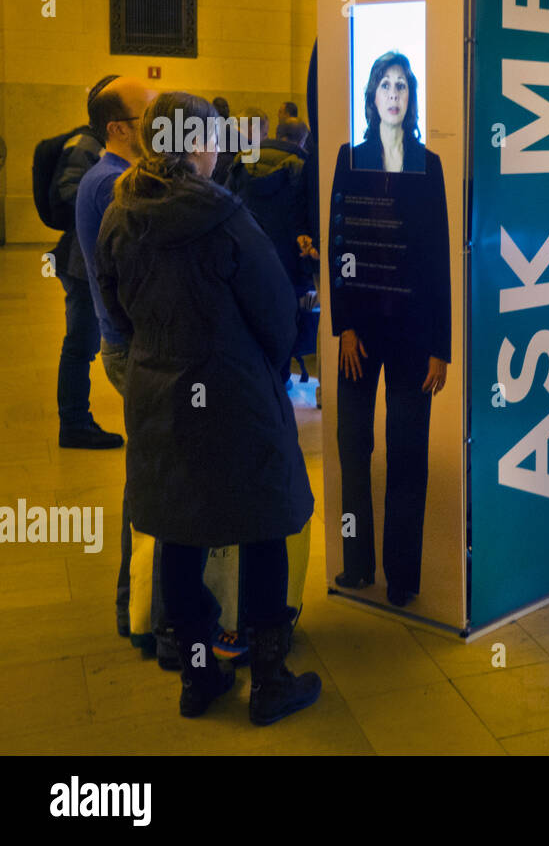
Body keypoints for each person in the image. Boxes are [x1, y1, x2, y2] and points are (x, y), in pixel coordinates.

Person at [96, 91, 320, 724]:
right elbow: (276, 311)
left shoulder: (122, 213)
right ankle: (269, 679)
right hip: (234, 394)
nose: (219, 148)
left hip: (159, 394)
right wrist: (262, 366)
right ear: (193, 143)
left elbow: (116, 310)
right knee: (264, 525)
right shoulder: (221, 216)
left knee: (178, 531)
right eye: (213, 137)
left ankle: (198, 676)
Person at [328, 51, 451, 608]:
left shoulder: (431, 165)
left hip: (412, 335)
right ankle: (356, 565)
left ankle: (402, 575)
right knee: (354, 449)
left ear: (411, 96)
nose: (394, 94)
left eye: (402, 85)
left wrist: (440, 347)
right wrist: (344, 326)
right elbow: (338, 246)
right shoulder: (350, 160)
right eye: (385, 85)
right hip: (361, 332)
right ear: (372, 96)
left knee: (408, 456)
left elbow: (439, 260)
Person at [75, 76, 156, 638]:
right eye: (149, 111)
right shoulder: (115, 185)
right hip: (134, 349)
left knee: (148, 470)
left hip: (127, 344)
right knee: (150, 474)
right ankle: (138, 605)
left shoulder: (107, 179)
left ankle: (141, 604)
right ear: (119, 128)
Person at [49, 75, 124, 449]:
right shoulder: (88, 146)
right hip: (81, 262)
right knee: (80, 345)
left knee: (82, 344)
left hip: (83, 258)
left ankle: (75, 420)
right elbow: (69, 192)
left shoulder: (94, 144)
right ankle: (74, 422)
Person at [225, 115, 313, 382]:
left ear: (276, 132)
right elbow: (305, 219)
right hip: (287, 264)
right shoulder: (303, 167)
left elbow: (226, 204)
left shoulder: (243, 159)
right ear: (303, 139)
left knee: (249, 321)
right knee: (285, 325)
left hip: (245, 260)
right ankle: (281, 379)